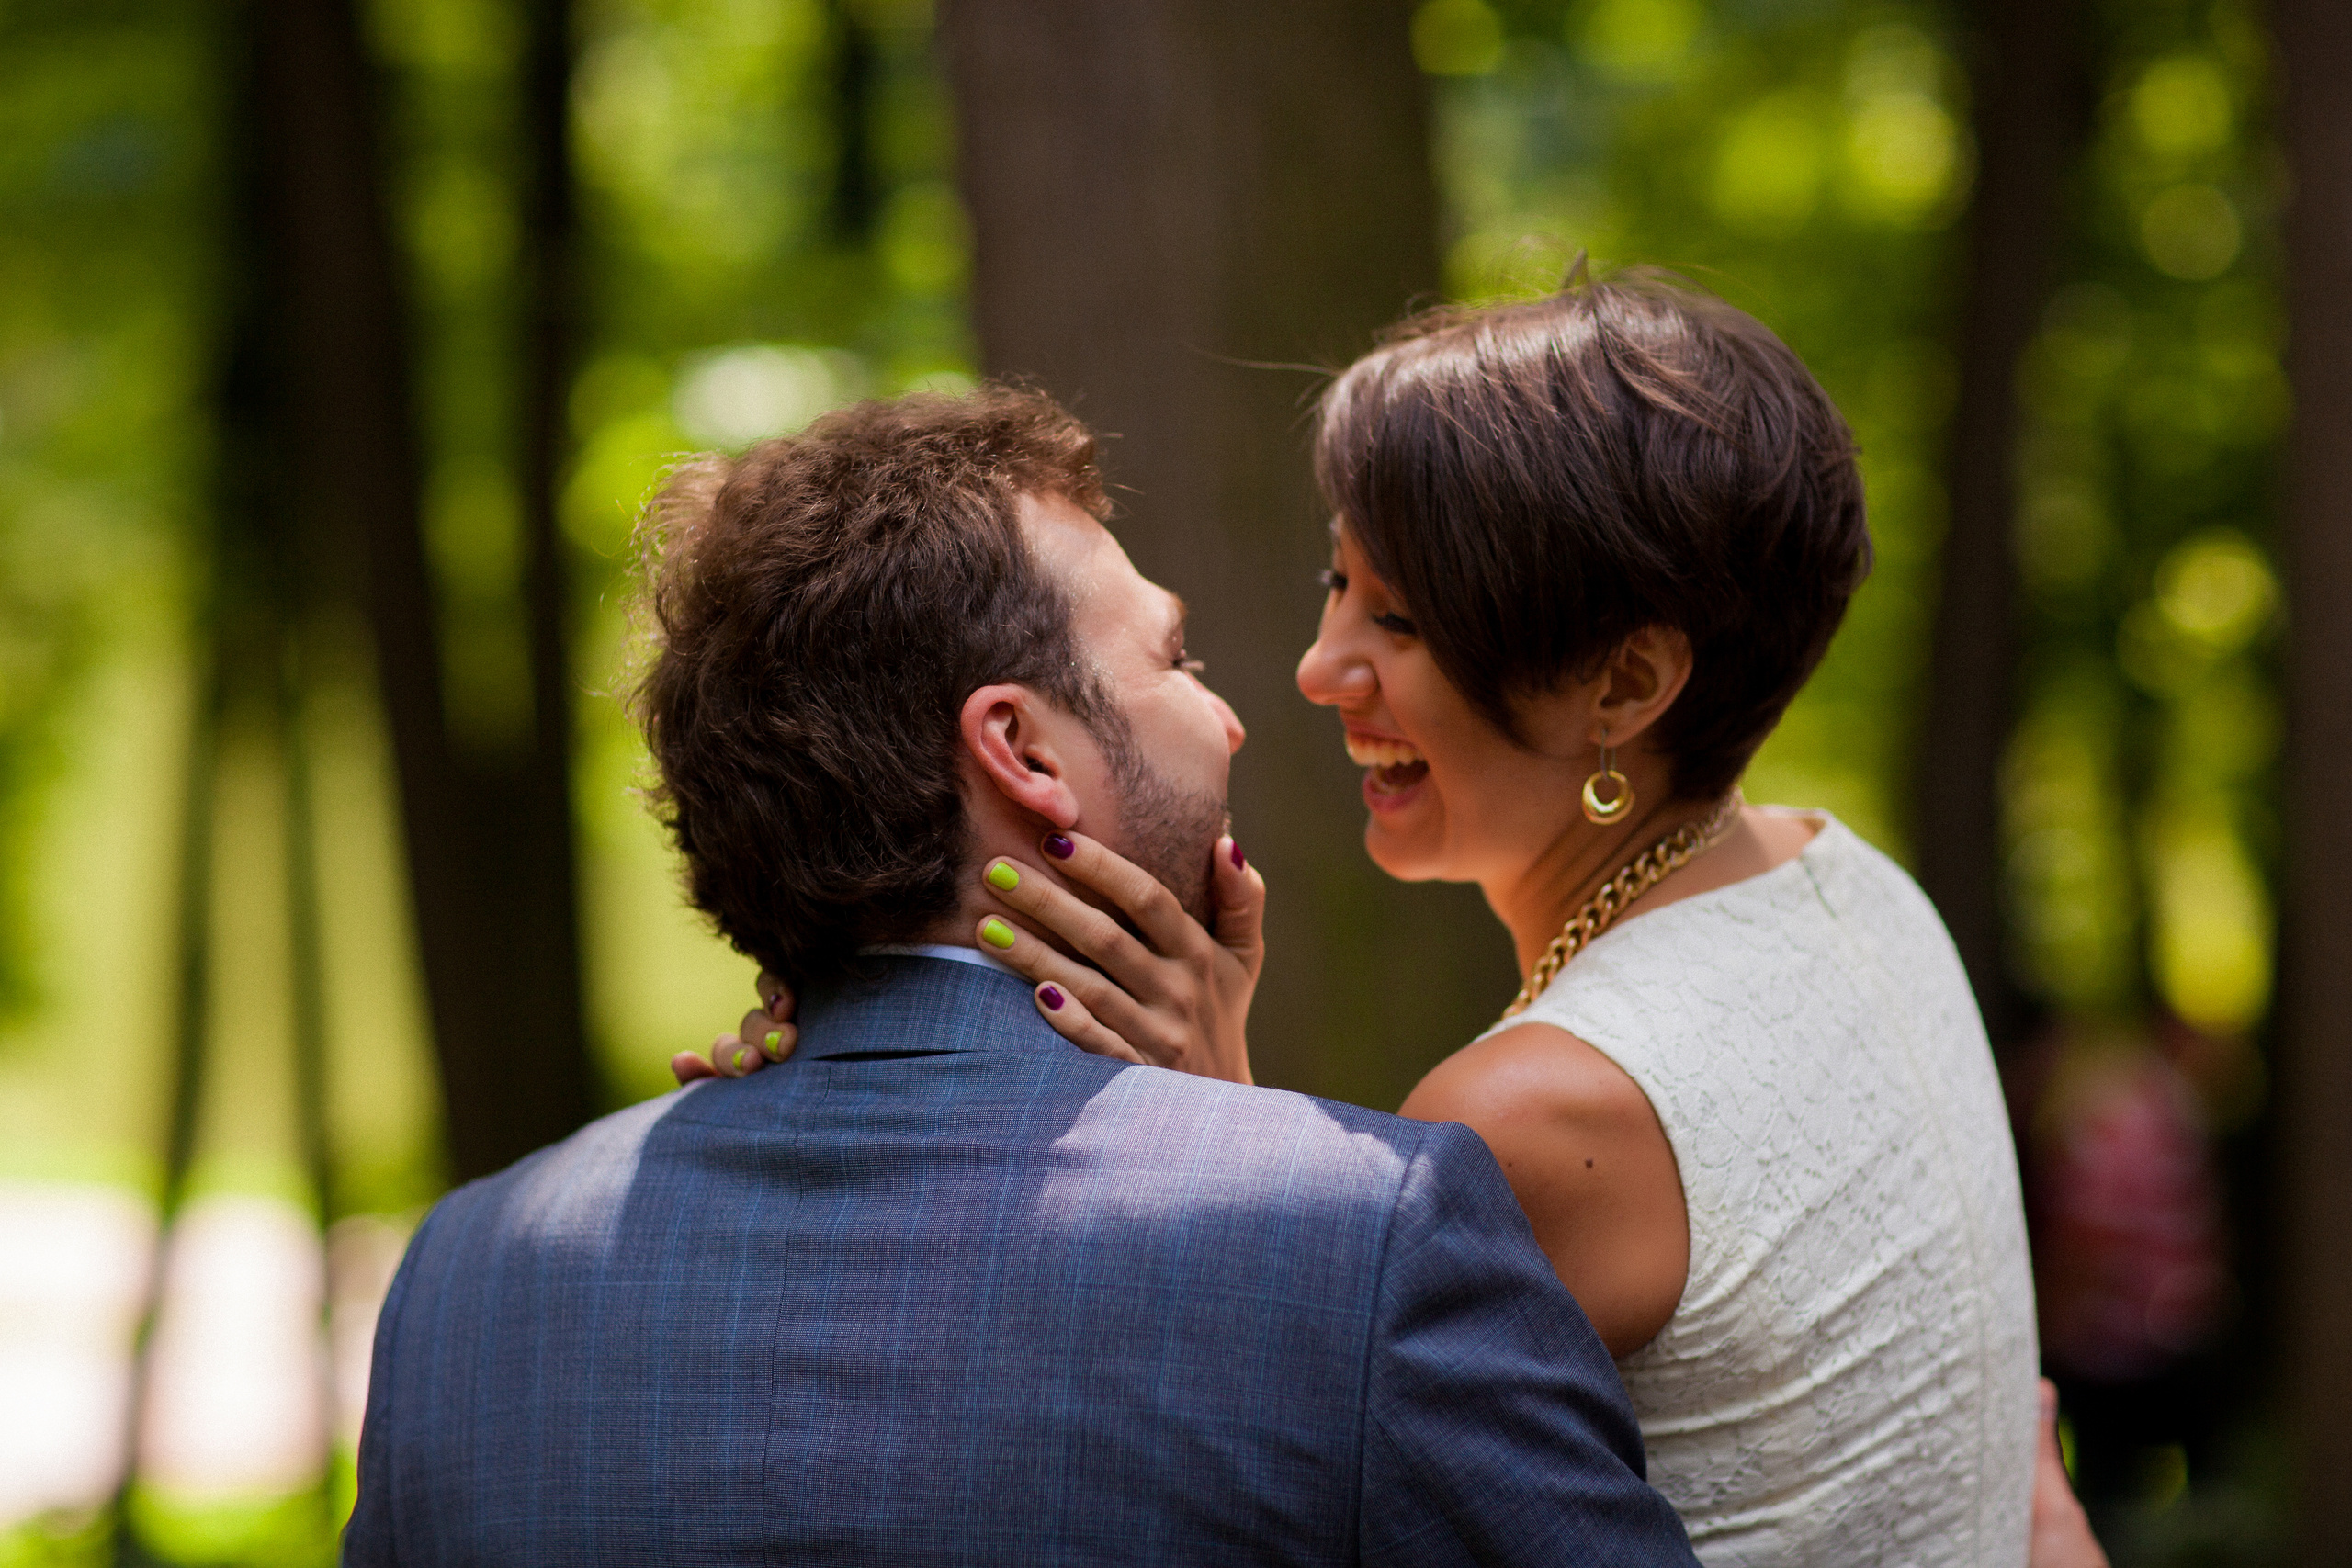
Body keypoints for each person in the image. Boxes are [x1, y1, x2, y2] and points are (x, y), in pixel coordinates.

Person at [706, 274, 2092, 1566]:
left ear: (1625, 684)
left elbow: (1253, 1493)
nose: (1319, 670)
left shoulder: (1538, 1114)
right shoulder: (1850, 882)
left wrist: (1214, 1131)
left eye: (1407, 623)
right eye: (1338, 583)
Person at [343, 389, 1700, 1565]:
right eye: (1176, 658)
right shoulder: (1373, 1235)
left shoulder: (466, 1273)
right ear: (1026, 750)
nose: (1229, 712)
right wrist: (1271, 1154)